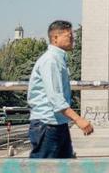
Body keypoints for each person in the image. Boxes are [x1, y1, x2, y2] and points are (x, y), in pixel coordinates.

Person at [27, 20, 94, 158]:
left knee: (63, 167)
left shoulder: (58, 59)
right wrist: (78, 119)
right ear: (55, 38)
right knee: (44, 169)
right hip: (47, 124)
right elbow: (55, 98)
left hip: (57, 123)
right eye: (69, 36)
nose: (72, 39)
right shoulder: (51, 60)